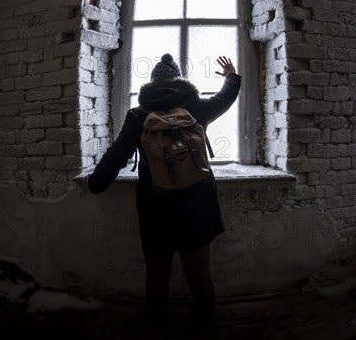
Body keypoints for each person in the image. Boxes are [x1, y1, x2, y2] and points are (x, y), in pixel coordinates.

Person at [87, 53, 241, 329]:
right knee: (199, 272)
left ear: (151, 85)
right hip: (197, 204)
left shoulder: (138, 115)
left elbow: (118, 154)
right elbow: (226, 98)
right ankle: (206, 324)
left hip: (155, 206)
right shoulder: (195, 107)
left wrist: (96, 183)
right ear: (179, 80)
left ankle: (156, 326)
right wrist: (231, 75)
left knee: (157, 275)